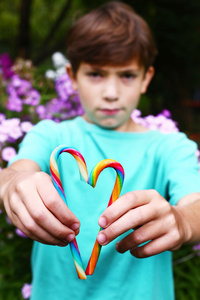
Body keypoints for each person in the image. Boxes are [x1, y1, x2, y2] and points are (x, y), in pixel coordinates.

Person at [0, 2, 200, 299]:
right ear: (71, 76)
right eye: (96, 74)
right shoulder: (51, 135)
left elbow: (195, 204)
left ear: (146, 78)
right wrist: (13, 185)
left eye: (127, 75)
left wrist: (182, 221)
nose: (110, 92)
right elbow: (15, 172)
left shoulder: (170, 147)